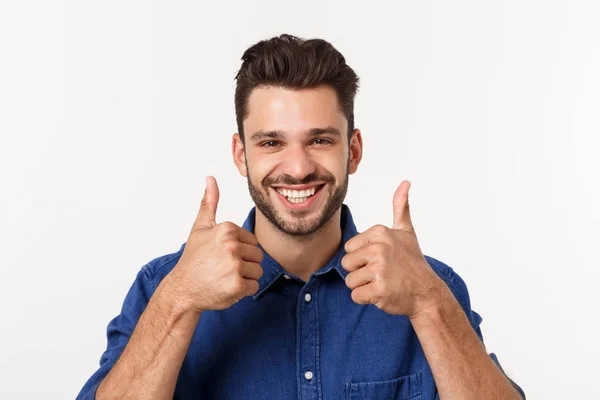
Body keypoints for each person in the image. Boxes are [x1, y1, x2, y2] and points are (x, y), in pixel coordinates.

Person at [77, 34, 525, 400]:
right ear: (241, 155)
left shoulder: (429, 287)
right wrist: (179, 300)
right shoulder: (163, 286)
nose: (297, 167)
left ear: (353, 151)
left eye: (320, 140)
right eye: (271, 142)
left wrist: (430, 303)